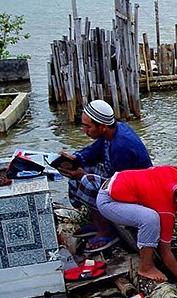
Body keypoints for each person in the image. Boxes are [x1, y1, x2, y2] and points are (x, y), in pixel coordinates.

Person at [95, 150, 177, 286]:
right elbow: (165, 251)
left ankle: (145, 249)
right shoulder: (166, 212)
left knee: (149, 217)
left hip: (115, 181)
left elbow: (159, 169)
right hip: (108, 201)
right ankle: (146, 267)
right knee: (150, 218)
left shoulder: (175, 175)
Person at [56, 99, 153, 251]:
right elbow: (94, 151)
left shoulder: (122, 146)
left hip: (135, 191)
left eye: (88, 127)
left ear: (102, 127)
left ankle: (106, 229)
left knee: (86, 180)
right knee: (79, 171)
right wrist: (75, 158)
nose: (85, 131)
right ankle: (97, 222)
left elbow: (119, 186)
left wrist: (82, 175)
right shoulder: (110, 132)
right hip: (117, 178)